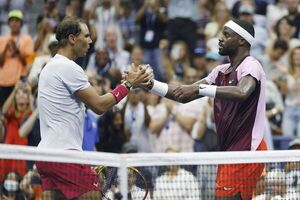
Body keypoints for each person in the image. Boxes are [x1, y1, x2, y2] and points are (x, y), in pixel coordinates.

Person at [146, 19, 267, 200]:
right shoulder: (220, 72)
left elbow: (242, 91)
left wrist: (200, 89)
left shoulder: (251, 65)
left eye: (226, 35)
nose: (220, 38)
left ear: (242, 40)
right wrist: (149, 84)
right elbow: (183, 95)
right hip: (229, 152)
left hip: (247, 149)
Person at [35, 16, 151, 200]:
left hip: (45, 157)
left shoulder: (50, 67)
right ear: (73, 38)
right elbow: (99, 105)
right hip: (65, 157)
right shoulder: (68, 68)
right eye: (87, 36)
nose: (90, 41)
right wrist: (128, 84)